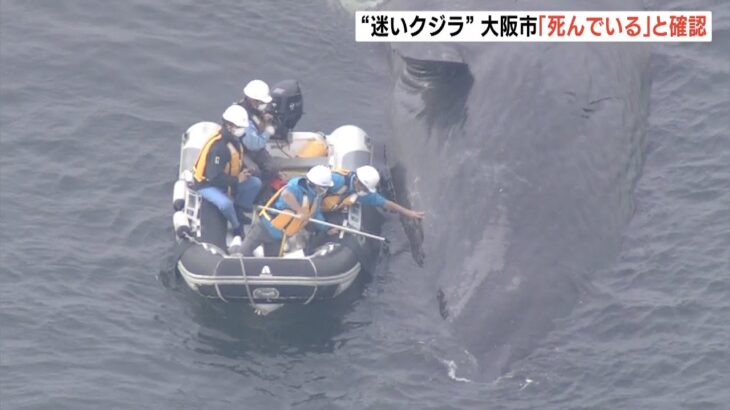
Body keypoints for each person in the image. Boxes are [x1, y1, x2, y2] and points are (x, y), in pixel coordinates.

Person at [192, 105, 262, 247]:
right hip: (207, 184)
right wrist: (237, 180)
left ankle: (240, 209)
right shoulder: (219, 148)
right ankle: (236, 227)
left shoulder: (234, 141)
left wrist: (242, 173)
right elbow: (213, 176)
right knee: (225, 204)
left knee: (255, 183)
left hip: (227, 179)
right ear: (230, 126)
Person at [234, 165, 333, 256]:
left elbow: (316, 215)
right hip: (265, 226)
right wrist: (299, 210)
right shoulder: (297, 185)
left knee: (272, 263)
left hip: (278, 237)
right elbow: (286, 194)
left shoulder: (316, 198)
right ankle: (234, 249)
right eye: (322, 188)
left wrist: (327, 228)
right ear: (314, 184)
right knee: (242, 253)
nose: (323, 191)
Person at [322, 165, 425, 220]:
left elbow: (387, 204)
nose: (366, 192)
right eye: (365, 189)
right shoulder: (337, 180)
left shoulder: (363, 194)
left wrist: (409, 213)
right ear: (359, 182)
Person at [238, 79, 278, 187]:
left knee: (272, 168)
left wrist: (264, 120)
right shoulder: (242, 115)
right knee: (254, 172)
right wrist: (268, 131)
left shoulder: (255, 110)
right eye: (261, 102)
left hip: (254, 147)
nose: (263, 105)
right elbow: (254, 145)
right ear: (252, 99)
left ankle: (263, 192)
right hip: (242, 151)